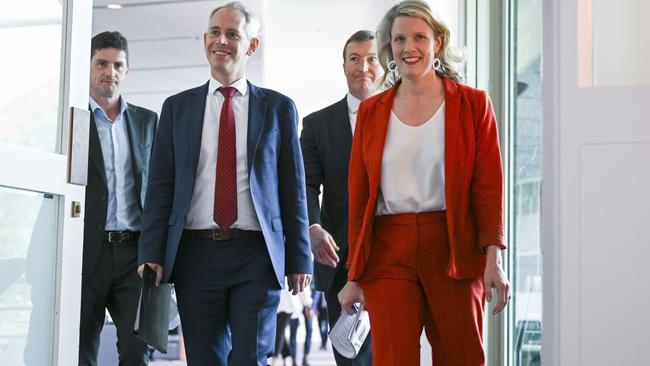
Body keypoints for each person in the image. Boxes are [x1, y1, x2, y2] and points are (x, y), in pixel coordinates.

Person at [137, 2, 312, 365]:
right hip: (194, 254)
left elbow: (292, 190)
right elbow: (160, 187)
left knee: (250, 358)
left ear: (251, 46)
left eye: (233, 33)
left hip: (256, 255)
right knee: (204, 359)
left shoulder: (279, 108)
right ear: (204, 41)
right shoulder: (177, 108)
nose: (222, 40)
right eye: (215, 32)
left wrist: (300, 257)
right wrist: (151, 252)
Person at [338, 1, 511, 365]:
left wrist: (494, 258)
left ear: (439, 42)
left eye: (419, 37)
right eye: (399, 39)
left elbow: (489, 189)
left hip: (453, 245)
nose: (408, 47)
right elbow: (359, 198)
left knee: (462, 355)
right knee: (393, 359)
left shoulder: (473, 105)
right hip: (388, 249)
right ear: (390, 47)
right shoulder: (372, 111)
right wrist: (354, 274)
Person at [299, 30, 378, 366]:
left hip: (396, 257)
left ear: (383, 64)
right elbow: (304, 186)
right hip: (340, 261)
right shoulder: (317, 125)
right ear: (343, 66)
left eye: (371, 58)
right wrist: (314, 227)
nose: (363, 66)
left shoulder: (404, 116)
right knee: (352, 359)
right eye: (354, 58)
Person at [79, 31, 157, 366]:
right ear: (89, 66)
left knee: (140, 349)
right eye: (102, 63)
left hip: (136, 256)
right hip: (85, 252)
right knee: (80, 348)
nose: (109, 71)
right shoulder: (73, 120)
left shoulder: (146, 121)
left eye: (117, 64)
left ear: (127, 70)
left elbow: (159, 189)